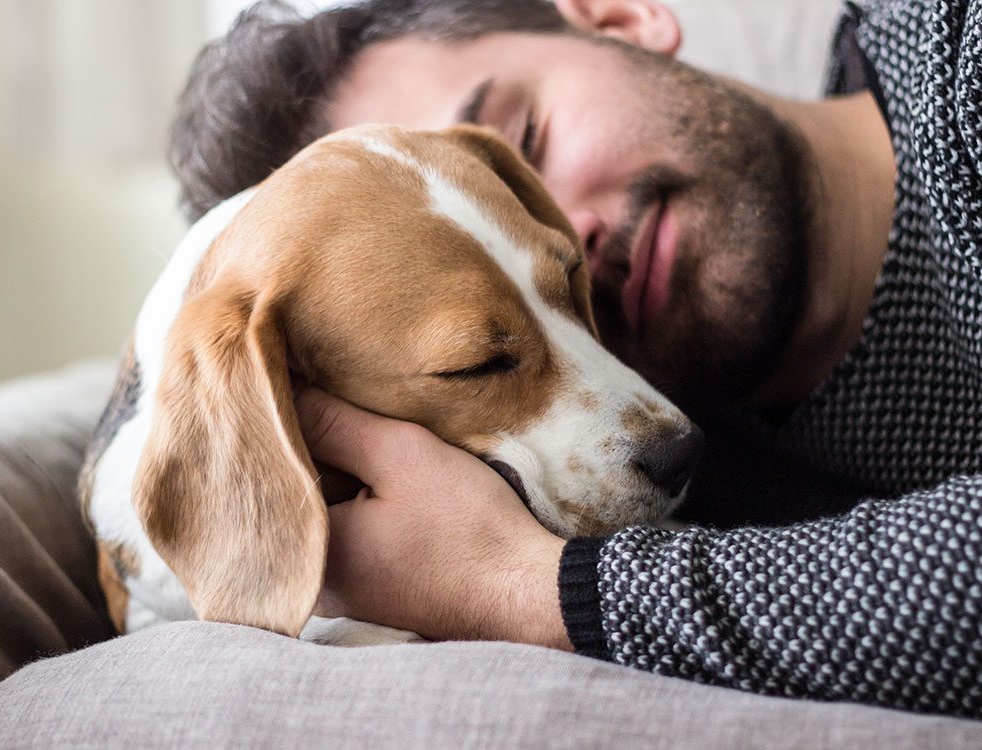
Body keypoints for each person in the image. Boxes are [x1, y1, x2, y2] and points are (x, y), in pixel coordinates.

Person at [168, 0, 982, 717]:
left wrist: (541, 591)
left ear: (617, 13)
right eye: (474, 357)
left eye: (523, 140)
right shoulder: (684, 465)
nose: (557, 230)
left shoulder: (961, 60)